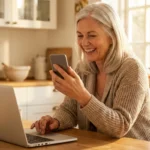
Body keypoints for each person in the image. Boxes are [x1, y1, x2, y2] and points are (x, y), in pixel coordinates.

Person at [31, 2, 150, 141]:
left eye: (92, 35)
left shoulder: (132, 69)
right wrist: (55, 122)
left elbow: (120, 126)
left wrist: (82, 96)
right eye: (80, 35)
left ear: (112, 37)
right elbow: (70, 110)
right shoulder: (83, 69)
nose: (84, 42)